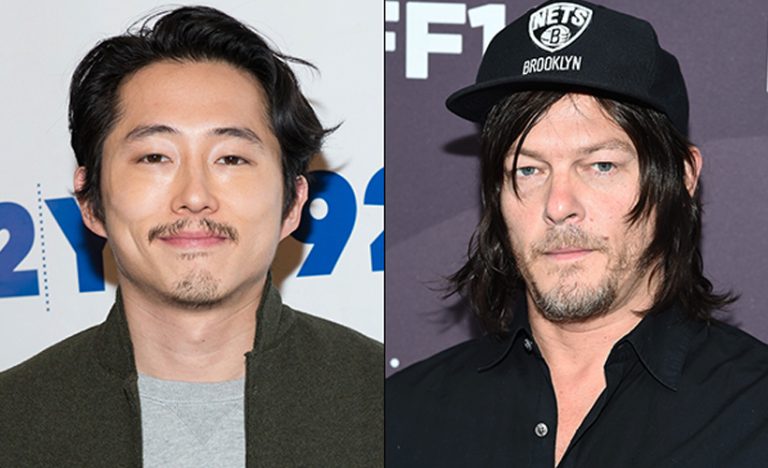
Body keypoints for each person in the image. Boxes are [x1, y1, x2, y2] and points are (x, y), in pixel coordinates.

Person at [386, 1, 768, 466]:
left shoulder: (753, 414)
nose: (558, 205)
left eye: (601, 165)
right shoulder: (401, 417)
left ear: (683, 177)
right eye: (529, 169)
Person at [0, 6, 381, 467]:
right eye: (155, 157)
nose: (195, 197)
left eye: (231, 159)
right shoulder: (14, 422)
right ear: (90, 201)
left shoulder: (388, 403)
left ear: (293, 203)